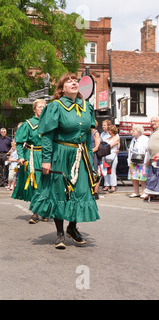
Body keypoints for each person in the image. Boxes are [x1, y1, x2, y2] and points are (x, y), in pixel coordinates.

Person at [29, 73, 99, 249]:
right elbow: (47, 136)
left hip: (80, 154)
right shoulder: (55, 107)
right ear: (61, 88)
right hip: (60, 154)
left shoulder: (86, 107)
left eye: (75, 80)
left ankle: (72, 228)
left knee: (81, 192)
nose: (74, 82)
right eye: (69, 80)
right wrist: (46, 160)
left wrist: (89, 162)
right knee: (59, 193)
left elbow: (88, 137)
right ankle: (60, 233)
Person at [11, 98, 46, 224]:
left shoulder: (49, 123)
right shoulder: (28, 124)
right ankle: (35, 213)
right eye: (39, 107)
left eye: (44, 106)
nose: (42, 108)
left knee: (47, 183)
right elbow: (19, 142)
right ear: (34, 109)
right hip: (32, 155)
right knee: (35, 183)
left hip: (46, 155)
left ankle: (44, 209)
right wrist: (20, 156)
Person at [127, 125, 149, 199]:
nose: (132, 132)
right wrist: (129, 161)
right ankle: (136, 192)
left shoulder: (145, 139)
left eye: (134, 130)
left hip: (142, 161)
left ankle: (144, 192)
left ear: (139, 132)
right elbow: (130, 150)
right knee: (134, 177)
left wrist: (146, 161)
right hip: (133, 160)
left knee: (143, 177)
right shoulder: (133, 139)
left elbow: (147, 151)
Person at [100, 125, 120, 193]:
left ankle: (113, 185)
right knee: (106, 171)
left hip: (112, 156)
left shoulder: (116, 137)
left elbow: (110, 146)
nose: (109, 132)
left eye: (110, 130)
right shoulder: (108, 138)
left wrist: (105, 146)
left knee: (112, 171)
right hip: (106, 156)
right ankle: (107, 185)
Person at [144, 116, 159, 200]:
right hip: (153, 158)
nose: (152, 123)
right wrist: (149, 159)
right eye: (151, 121)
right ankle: (151, 193)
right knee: (152, 178)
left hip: (158, 158)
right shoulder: (153, 132)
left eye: (154, 121)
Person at [91, 120, 101, 199]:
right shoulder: (87, 133)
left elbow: (97, 146)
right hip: (88, 154)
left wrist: (90, 152)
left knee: (95, 173)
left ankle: (96, 192)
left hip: (93, 155)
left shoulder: (96, 133)